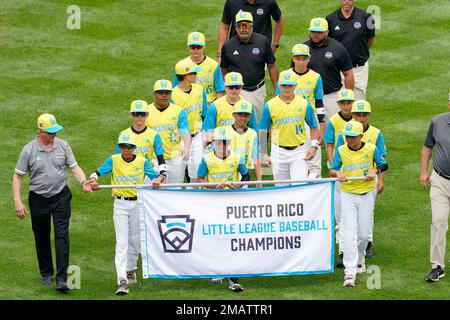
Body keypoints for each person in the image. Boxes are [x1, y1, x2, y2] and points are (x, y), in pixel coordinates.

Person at [13, 113, 91, 291]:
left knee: (62, 235)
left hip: (61, 196)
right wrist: (18, 201)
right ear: (40, 131)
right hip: (38, 199)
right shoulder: (28, 150)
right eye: (50, 132)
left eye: (55, 131)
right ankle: (46, 273)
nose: (54, 135)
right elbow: (17, 176)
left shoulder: (63, 146)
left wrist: (83, 181)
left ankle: (62, 279)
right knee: (41, 235)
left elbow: (74, 167)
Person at [89, 133, 165, 295]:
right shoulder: (114, 159)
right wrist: (93, 180)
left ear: (134, 148)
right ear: (120, 147)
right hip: (120, 204)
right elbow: (97, 173)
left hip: (137, 203)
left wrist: (159, 179)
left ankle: (131, 269)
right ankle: (122, 280)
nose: (126, 150)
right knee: (121, 242)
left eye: (129, 147)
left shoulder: (143, 161)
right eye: (123, 146)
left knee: (135, 240)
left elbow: (156, 176)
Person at [330, 120, 388, 287]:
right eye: (347, 137)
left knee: (363, 234)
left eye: (353, 137)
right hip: (347, 194)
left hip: (366, 194)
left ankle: (360, 257)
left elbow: (383, 164)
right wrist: (338, 173)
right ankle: (349, 272)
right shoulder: (341, 150)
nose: (349, 140)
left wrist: (374, 170)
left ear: (361, 136)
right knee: (348, 233)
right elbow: (333, 168)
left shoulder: (370, 149)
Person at [197, 127, 250, 292]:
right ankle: (217, 270)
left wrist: (238, 184)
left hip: (232, 203)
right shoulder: (207, 159)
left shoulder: (237, 157)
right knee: (216, 236)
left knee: (232, 238)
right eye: (219, 142)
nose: (222, 145)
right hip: (214, 202)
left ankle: (233, 279)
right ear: (214, 143)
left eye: (225, 142)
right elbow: (199, 179)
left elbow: (246, 175)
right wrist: (213, 185)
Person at [335, 100, 387, 258]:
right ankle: (344, 251)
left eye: (364, 114)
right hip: (348, 178)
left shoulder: (376, 133)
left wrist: (380, 179)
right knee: (346, 218)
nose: (361, 118)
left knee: (367, 214)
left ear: (368, 115)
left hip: (368, 179)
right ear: (353, 114)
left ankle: (367, 243)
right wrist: (338, 173)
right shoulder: (346, 132)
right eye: (358, 114)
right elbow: (338, 155)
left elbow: (382, 159)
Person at [259, 69, 320, 185]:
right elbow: (262, 130)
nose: (287, 88)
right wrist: (263, 152)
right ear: (279, 86)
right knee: (280, 189)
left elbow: (313, 126)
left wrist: (313, 146)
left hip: (299, 151)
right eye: (284, 85)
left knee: (299, 186)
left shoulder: (304, 104)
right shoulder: (270, 105)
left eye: (290, 85)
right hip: (278, 152)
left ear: (295, 86)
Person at [220, 11, 279, 120]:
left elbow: (272, 66)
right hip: (238, 91)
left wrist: (277, 89)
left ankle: (260, 138)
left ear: (251, 27)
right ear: (236, 28)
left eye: (246, 25)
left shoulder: (263, 42)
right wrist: (229, 87)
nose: (243, 28)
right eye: (240, 25)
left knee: (257, 123)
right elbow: (223, 69)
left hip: (258, 91)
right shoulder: (228, 46)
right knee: (238, 123)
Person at [278, 43, 325, 178]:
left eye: (304, 58)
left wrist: (321, 124)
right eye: (298, 58)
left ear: (309, 59)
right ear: (293, 59)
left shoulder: (315, 77)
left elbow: (319, 102)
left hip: (309, 119)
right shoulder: (285, 75)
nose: (301, 62)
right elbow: (277, 99)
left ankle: (315, 177)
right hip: (290, 119)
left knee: (314, 152)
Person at [323, 88, 355, 266]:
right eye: (343, 103)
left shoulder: (358, 118)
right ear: (339, 105)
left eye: (348, 102)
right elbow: (329, 144)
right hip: (339, 163)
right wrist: (332, 165)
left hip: (355, 164)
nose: (346, 106)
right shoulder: (334, 121)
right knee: (339, 206)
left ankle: (363, 242)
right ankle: (342, 243)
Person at [421, 94, 450, 282]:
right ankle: (437, 266)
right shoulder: (437, 121)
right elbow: (427, 146)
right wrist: (424, 171)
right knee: (438, 222)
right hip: (440, 180)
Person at [303, 17, 354, 120]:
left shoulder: (338, 48)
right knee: (310, 131)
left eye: (319, 32)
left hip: (331, 97)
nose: (315, 35)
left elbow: (348, 74)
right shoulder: (303, 49)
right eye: (313, 31)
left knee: (334, 130)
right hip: (309, 97)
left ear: (327, 32)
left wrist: (348, 99)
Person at [326, 0, 376, 100]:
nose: (347, 1)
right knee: (338, 102)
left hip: (359, 70)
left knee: (358, 102)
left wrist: (359, 51)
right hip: (338, 70)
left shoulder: (367, 17)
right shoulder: (330, 19)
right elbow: (328, 43)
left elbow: (371, 40)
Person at [145, 79, 191, 184]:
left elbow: (185, 132)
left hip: (174, 158)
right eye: (160, 93)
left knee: (174, 191)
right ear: (154, 94)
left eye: (167, 93)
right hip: (153, 159)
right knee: (152, 190)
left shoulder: (179, 111)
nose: (164, 95)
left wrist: (187, 148)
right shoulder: (146, 112)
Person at [171, 59, 208, 182]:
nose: (197, 75)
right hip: (179, 139)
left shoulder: (199, 89)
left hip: (197, 137)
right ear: (187, 76)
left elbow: (204, 114)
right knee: (178, 174)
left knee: (196, 174)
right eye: (194, 73)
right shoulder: (172, 96)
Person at [202, 72, 258, 145]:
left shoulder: (248, 106)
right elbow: (208, 129)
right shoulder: (216, 105)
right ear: (225, 87)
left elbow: (254, 129)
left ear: (241, 87)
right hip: (222, 145)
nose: (234, 90)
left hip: (241, 145)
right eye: (231, 87)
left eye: (237, 87)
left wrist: (259, 150)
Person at [116, 100, 167, 179]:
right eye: (136, 114)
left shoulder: (154, 135)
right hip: (129, 175)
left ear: (147, 115)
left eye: (142, 114)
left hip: (148, 175)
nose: (139, 117)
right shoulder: (123, 134)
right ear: (131, 115)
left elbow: (160, 157)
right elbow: (118, 158)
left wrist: (163, 173)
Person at [172, 32, 225, 106]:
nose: (195, 49)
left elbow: (220, 91)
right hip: (189, 105)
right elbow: (175, 90)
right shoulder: (181, 66)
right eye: (192, 47)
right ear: (188, 47)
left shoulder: (213, 65)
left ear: (204, 46)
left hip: (210, 103)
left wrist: (215, 108)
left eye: (199, 47)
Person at [217, 0, 284, 58]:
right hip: (235, 49)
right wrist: (220, 54)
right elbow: (224, 28)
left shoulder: (268, 2)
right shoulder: (232, 2)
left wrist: (275, 45)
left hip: (260, 50)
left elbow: (279, 20)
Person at [224, 100, 262, 187]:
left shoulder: (252, 134)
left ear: (250, 117)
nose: (243, 118)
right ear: (233, 115)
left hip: (244, 174)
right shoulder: (225, 132)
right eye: (240, 115)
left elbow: (256, 157)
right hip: (226, 172)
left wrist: (259, 179)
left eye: (246, 115)